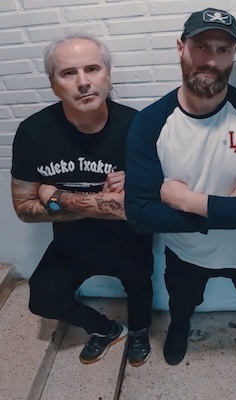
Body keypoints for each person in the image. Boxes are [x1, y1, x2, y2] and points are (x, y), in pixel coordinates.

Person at [124, 8, 236, 366]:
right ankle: (179, 327)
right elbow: (139, 214)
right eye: (201, 46)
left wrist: (187, 200)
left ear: (234, 55)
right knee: (182, 302)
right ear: (180, 47)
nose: (211, 60)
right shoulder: (150, 122)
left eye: (222, 49)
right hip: (185, 252)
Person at [11, 33, 154, 367]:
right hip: (70, 242)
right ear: (53, 84)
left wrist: (54, 195)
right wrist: (103, 202)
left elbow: (138, 209)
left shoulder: (139, 126)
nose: (83, 81)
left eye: (92, 68)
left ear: (108, 75)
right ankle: (105, 328)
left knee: (139, 287)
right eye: (68, 73)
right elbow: (24, 209)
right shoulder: (33, 132)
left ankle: (139, 331)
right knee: (42, 299)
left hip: (129, 240)